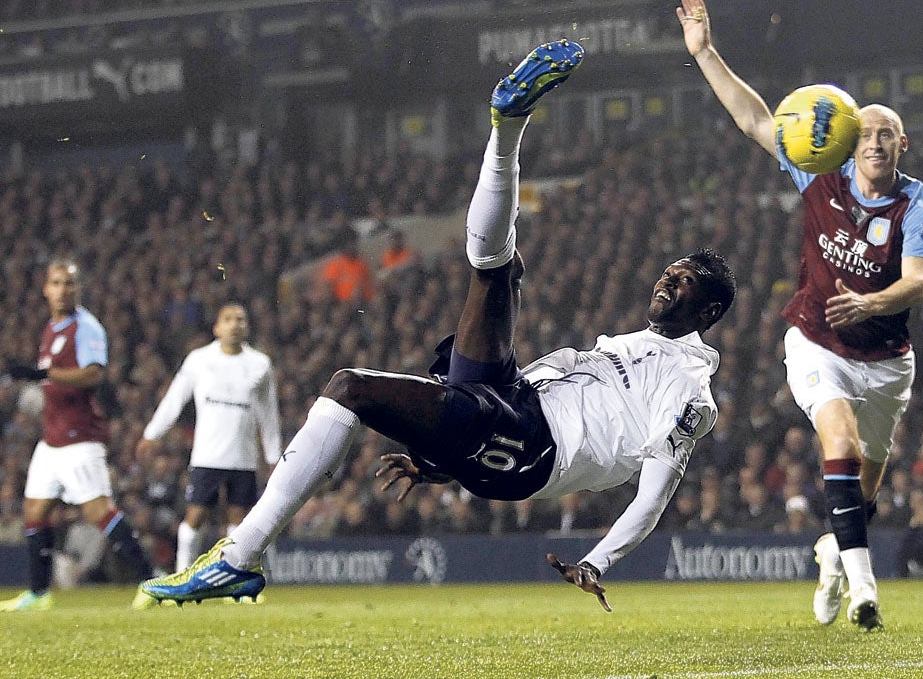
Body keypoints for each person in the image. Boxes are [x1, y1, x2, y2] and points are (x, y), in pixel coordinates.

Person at [141, 38, 736, 611]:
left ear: (708, 311)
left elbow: (655, 492)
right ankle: (508, 126)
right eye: (670, 271)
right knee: (497, 269)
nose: (667, 280)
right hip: (513, 399)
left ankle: (241, 555)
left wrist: (598, 561)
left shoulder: (689, 390)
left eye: (685, 282)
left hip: (533, 449)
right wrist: (443, 458)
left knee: (350, 387)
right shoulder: (641, 344)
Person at [677, 0, 923, 631]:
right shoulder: (819, 174)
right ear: (850, 142)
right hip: (818, 342)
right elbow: (754, 119)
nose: (875, 142)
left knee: (864, 488)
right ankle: (865, 591)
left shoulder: (918, 205)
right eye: (866, 133)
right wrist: (706, 52)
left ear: (901, 145)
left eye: (886, 134)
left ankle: (832, 554)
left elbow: (919, 283)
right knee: (840, 442)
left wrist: (872, 301)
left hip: (887, 361)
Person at [0, 259, 157, 612]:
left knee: (99, 511)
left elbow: (93, 375)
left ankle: (151, 581)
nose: (63, 290)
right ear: (46, 289)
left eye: (69, 284)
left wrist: (43, 373)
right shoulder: (50, 328)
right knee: (35, 510)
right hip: (52, 436)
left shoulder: (86, 327)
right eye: (57, 283)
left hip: (79, 435)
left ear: (78, 289)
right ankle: (39, 593)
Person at [136, 302, 281, 576]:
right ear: (217, 327)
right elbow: (174, 398)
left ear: (246, 327)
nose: (235, 324)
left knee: (238, 522)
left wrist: (274, 455)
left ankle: (231, 575)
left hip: (243, 457)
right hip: (208, 455)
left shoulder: (260, 365)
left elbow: (268, 413)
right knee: (196, 517)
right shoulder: (199, 360)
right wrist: (152, 434)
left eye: (240, 319)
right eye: (228, 319)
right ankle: (182, 573)